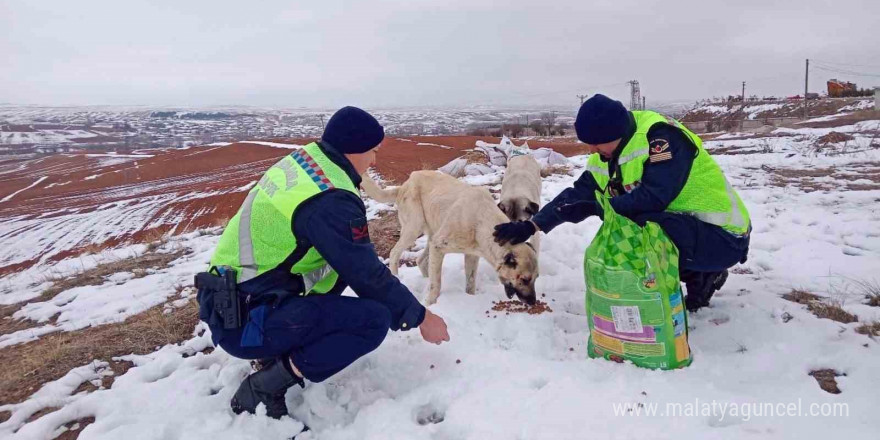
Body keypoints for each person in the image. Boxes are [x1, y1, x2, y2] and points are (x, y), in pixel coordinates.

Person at [198, 106, 449, 420]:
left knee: (336, 265)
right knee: (372, 320)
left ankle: (278, 347)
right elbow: (367, 274)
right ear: (353, 149)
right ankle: (267, 384)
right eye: (372, 151)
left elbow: (351, 263)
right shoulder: (331, 199)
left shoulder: (307, 162)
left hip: (231, 298)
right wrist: (420, 316)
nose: (373, 160)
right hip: (246, 322)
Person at [493, 94, 750, 312]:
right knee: (627, 228)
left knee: (637, 226)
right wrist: (531, 226)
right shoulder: (607, 156)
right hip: (687, 229)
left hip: (723, 237)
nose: (592, 149)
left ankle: (704, 272)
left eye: (595, 142)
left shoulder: (661, 138)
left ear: (613, 133)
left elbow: (655, 196)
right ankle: (697, 275)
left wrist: (601, 207)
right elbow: (578, 195)